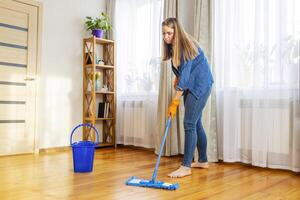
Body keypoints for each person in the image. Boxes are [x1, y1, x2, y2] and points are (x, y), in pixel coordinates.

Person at [161, 18, 214, 178]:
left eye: (169, 33)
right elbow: (181, 73)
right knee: (196, 123)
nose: (166, 37)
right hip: (191, 85)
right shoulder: (174, 48)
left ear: (177, 32)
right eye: (164, 33)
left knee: (189, 123)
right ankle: (203, 161)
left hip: (200, 85)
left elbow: (185, 77)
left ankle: (185, 167)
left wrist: (174, 102)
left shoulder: (185, 45)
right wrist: (176, 79)